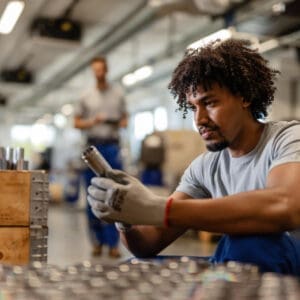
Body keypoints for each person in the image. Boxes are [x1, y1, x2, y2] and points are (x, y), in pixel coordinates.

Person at [86, 39, 300, 275]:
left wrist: (159, 208)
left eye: (209, 103)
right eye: (193, 108)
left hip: (287, 261)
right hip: (248, 262)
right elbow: (147, 244)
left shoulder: (288, 138)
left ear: (244, 97)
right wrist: (125, 215)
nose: (199, 120)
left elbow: (286, 206)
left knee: (250, 242)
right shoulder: (205, 167)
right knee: (139, 268)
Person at [74, 56, 128, 258]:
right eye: (94, 70)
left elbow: (125, 120)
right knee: (93, 195)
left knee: (114, 195)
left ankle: (114, 244)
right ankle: (97, 242)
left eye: (101, 70)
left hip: (112, 148)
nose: (98, 73)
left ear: (106, 70)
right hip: (92, 148)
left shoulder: (118, 94)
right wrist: (93, 122)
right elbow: (76, 122)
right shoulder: (85, 96)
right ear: (92, 72)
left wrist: (118, 122)